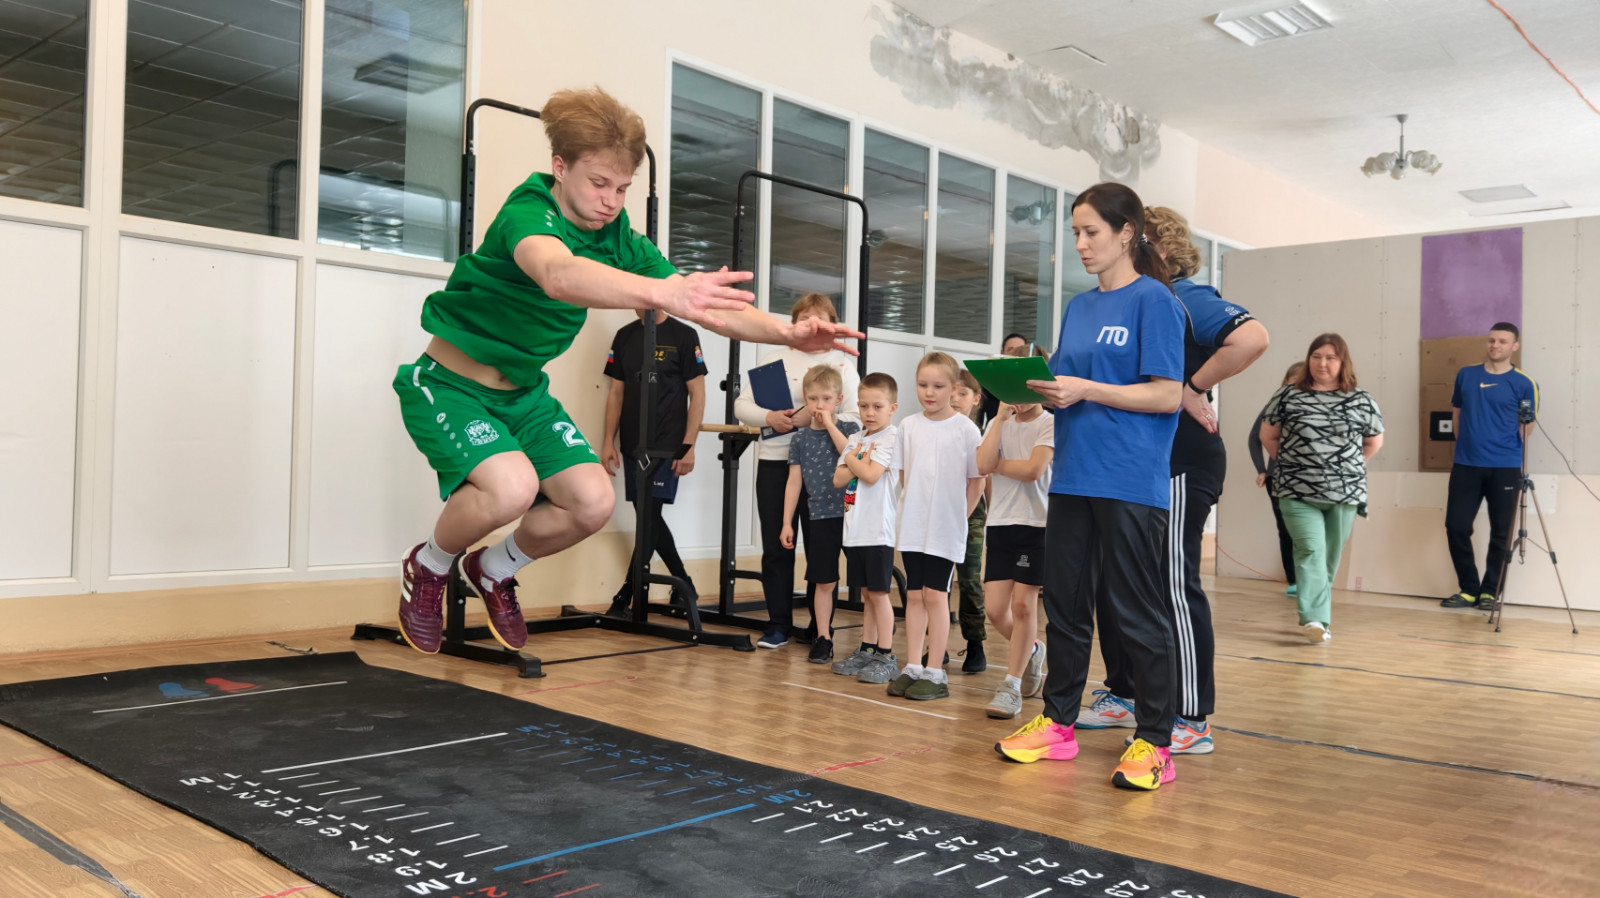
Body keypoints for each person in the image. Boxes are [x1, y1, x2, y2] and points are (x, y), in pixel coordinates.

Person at [392, 88, 860, 655]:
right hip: (450, 385)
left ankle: (491, 569)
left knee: (593, 502)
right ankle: (430, 562)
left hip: (524, 397)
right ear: (560, 167)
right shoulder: (528, 213)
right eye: (598, 183)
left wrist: (788, 334)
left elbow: (704, 306)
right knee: (513, 488)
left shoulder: (618, 240)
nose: (611, 201)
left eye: (622, 188)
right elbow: (559, 275)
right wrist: (662, 291)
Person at [995, 182, 1185, 792]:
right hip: (1073, 476)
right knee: (1067, 606)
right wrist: (1034, 387)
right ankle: (1058, 724)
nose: (1079, 243)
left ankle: (1155, 742)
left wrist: (1087, 389)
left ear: (1127, 233)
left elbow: (1168, 395)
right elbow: (1066, 384)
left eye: (1091, 232)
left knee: (1135, 612)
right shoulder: (1078, 308)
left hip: (1129, 479)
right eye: (1075, 232)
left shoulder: (1155, 301)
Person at [1074, 207, 1269, 756]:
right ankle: (1127, 692)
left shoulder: (1184, 296)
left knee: (1172, 584)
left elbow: (1252, 338)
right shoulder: (1128, 303)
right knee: (1117, 583)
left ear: (1155, 245)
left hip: (1183, 462)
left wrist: (1193, 386)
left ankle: (1191, 715)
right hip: (1132, 467)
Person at [734, 293, 861, 649]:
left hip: (825, 468)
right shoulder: (774, 358)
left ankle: (821, 629)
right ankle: (778, 624)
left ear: (832, 325)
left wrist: (812, 418)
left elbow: (856, 417)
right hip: (776, 462)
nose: (812, 326)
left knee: (822, 548)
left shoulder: (842, 363)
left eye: (821, 320)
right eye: (805, 319)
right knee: (778, 545)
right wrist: (770, 417)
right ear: (794, 324)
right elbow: (742, 405)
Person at [1259, 333, 1384, 643]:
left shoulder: (1362, 399)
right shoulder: (1287, 396)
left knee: (1328, 559)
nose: (1322, 363)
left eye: (1330, 357)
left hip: (1344, 493)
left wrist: (1346, 467)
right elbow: (1268, 436)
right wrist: (1295, 464)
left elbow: (1373, 442)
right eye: (1316, 356)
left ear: (1343, 362)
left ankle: (1320, 619)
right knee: (1310, 550)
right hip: (1296, 491)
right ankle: (1315, 620)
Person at [887, 352, 984, 701]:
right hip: (913, 526)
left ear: (955, 388)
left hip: (945, 528)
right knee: (914, 595)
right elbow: (903, 474)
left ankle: (935, 671)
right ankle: (913, 665)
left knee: (935, 595)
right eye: (923, 385)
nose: (929, 392)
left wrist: (958, 516)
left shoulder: (966, 429)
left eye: (938, 386)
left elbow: (977, 480)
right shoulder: (908, 426)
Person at [599, 309, 707, 616]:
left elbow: (698, 395)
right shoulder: (624, 336)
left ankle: (625, 594)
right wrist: (608, 441)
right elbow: (616, 393)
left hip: (668, 445)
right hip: (634, 444)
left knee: (649, 517)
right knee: (649, 519)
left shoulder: (684, 335)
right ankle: (684, 584)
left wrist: (688, 446)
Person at [977, 353, 1055, 719]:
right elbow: (981, 465)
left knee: (1024, 606)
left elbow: (1034, 470)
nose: (1018, 398)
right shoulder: (999, 424)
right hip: (1001, 523)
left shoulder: (1049, 423)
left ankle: (1011, 684)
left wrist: (998, 464)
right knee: (995, 610)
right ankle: (1033, 650)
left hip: (1037, 524)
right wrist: (999, 419)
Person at [1441, 323, 1538, 609]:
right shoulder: (1466, 375)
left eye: (1503, 341)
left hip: (1505, 467)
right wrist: (1467, 444)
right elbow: (1457, 412)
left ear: (1514, 346)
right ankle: (1469, 589)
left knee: (1501, 532)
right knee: (1456, 526)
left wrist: (1504, 448)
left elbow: (1527, 426)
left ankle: (1489, 592)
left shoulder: (1524, 383)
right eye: (1492, 340)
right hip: (1466, 464)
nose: (1495, 345)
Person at [780, 365, 859, 663]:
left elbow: (850, 455)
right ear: (805, 400)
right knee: (824, 580)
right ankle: (823, 636)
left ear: (838, 400)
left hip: (852, 514)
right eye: (813, 399)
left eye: (826, 399)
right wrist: (787, 523)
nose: (819, 405)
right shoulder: (800, 439)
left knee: (866, 580)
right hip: (821, 516)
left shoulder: (850, 430)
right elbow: (794, 483)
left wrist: (830, 426)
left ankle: (874, 640)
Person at [831, 373, 901, 684]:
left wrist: (850, 457)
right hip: (854, 530)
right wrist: (858, 458)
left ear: (892, 408)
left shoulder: (891, 438)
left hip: (877, 530)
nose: (869, 412)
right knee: (865, 593)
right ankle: (868, 647)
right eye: (863, 406)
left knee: (879, 593)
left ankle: (886, 654)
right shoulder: (856, 439)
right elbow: (838, 479)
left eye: (877, 406)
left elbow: (871, 475)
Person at [1249, 362, 1305, 597]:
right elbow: (1254, 438)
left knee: (1305, 530)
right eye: (1292, 383)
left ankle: (1310, 580)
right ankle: (1294, 581)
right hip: (1278, 478)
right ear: (1285, 382)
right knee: (1285, 529)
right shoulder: (1273, 407)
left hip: (1307, 478)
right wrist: (1262, 470)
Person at [951, 368, 989, 673]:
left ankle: (975, 643)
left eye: (962, 393)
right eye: (951, 391)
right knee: (935, 584)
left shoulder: (979, 435)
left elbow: (983, 481)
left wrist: (962, 518)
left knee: (969, 579)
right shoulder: (934, 429)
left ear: (976, 399)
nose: (955, 398)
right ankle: (936, 645)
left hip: (970, 515)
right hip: (940, 513)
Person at [979, 332, 1032, 426]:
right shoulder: (988, 382)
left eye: (1020, 350)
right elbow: (978, 415)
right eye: (1010, 349)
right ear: (1002, 352)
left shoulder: (1034, 382)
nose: (1015, 354)